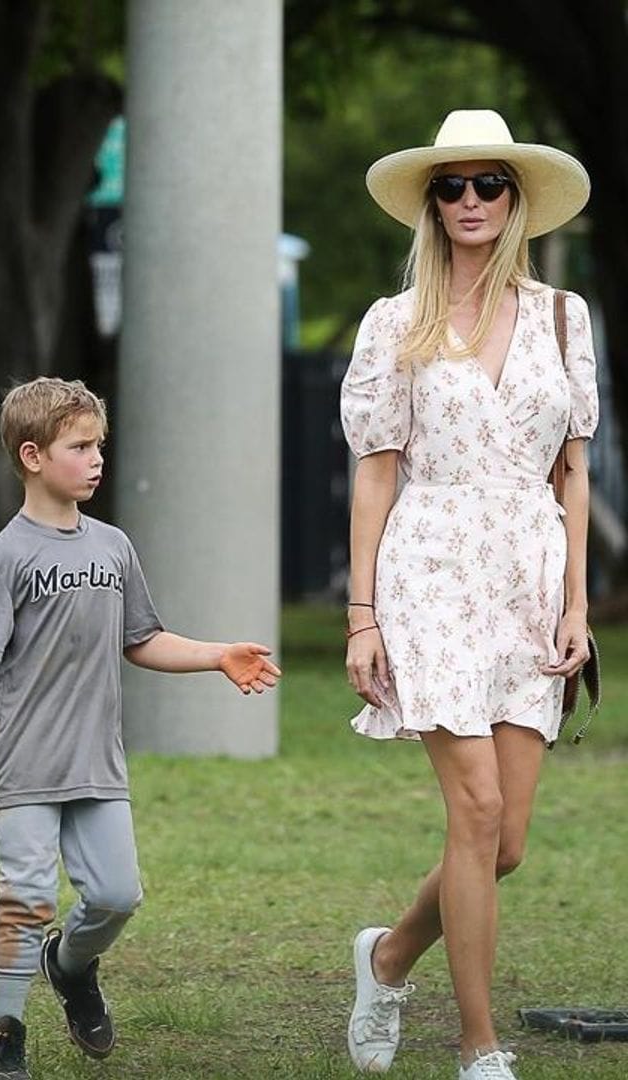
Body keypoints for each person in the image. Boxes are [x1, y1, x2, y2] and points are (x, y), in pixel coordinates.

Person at [0, 376, 280, 1080]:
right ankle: (1, 1038)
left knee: (118, 895)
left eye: (99, 446)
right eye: (79, 447)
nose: (95, 459)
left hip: (97, 765)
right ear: (32, 455)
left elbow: (141, 638)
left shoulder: (113, 547)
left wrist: (215, 656)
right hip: (25, 766)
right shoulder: (5, 556)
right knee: (24, 897)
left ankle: (70, 964)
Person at [340, 110, 597, 1080]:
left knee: (509, 844)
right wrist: (362, 615)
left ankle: (389, 954)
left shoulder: (565, 318)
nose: (472, 201)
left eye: (491, 183)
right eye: (453, 186)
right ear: (431, 203)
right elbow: (374, 473)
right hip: (431, 566)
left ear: (517, 198)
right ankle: (478, 1047)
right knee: (476, 811)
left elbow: (574, 473)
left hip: (530, 576)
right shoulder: (392, 324)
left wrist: (576, 604)